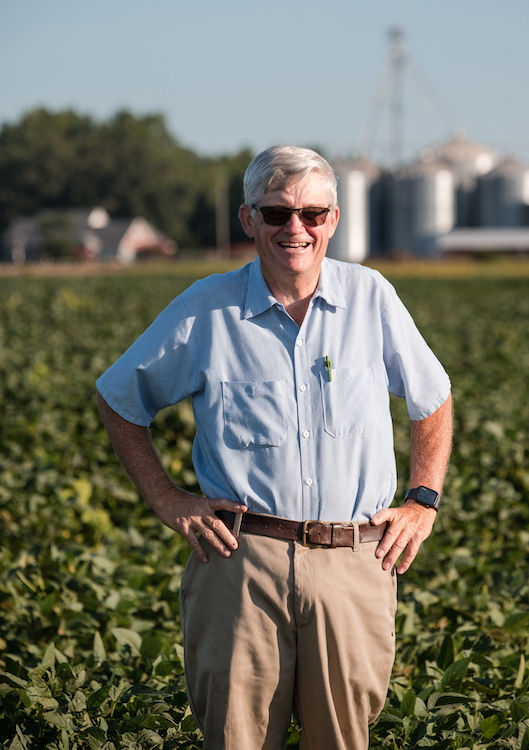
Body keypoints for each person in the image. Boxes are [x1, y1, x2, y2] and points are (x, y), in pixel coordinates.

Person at [96, 145, 453, 750]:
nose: (296, 229)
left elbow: (433, 398)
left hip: (352, 560)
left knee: (342, 741)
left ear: (333, 221)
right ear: (249, 220)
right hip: (240, 562)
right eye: (277, 213)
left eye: (313, 214)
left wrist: (423, 499)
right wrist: (164, 497)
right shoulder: (206, 310)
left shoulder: (371, 299)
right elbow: (119, 398)